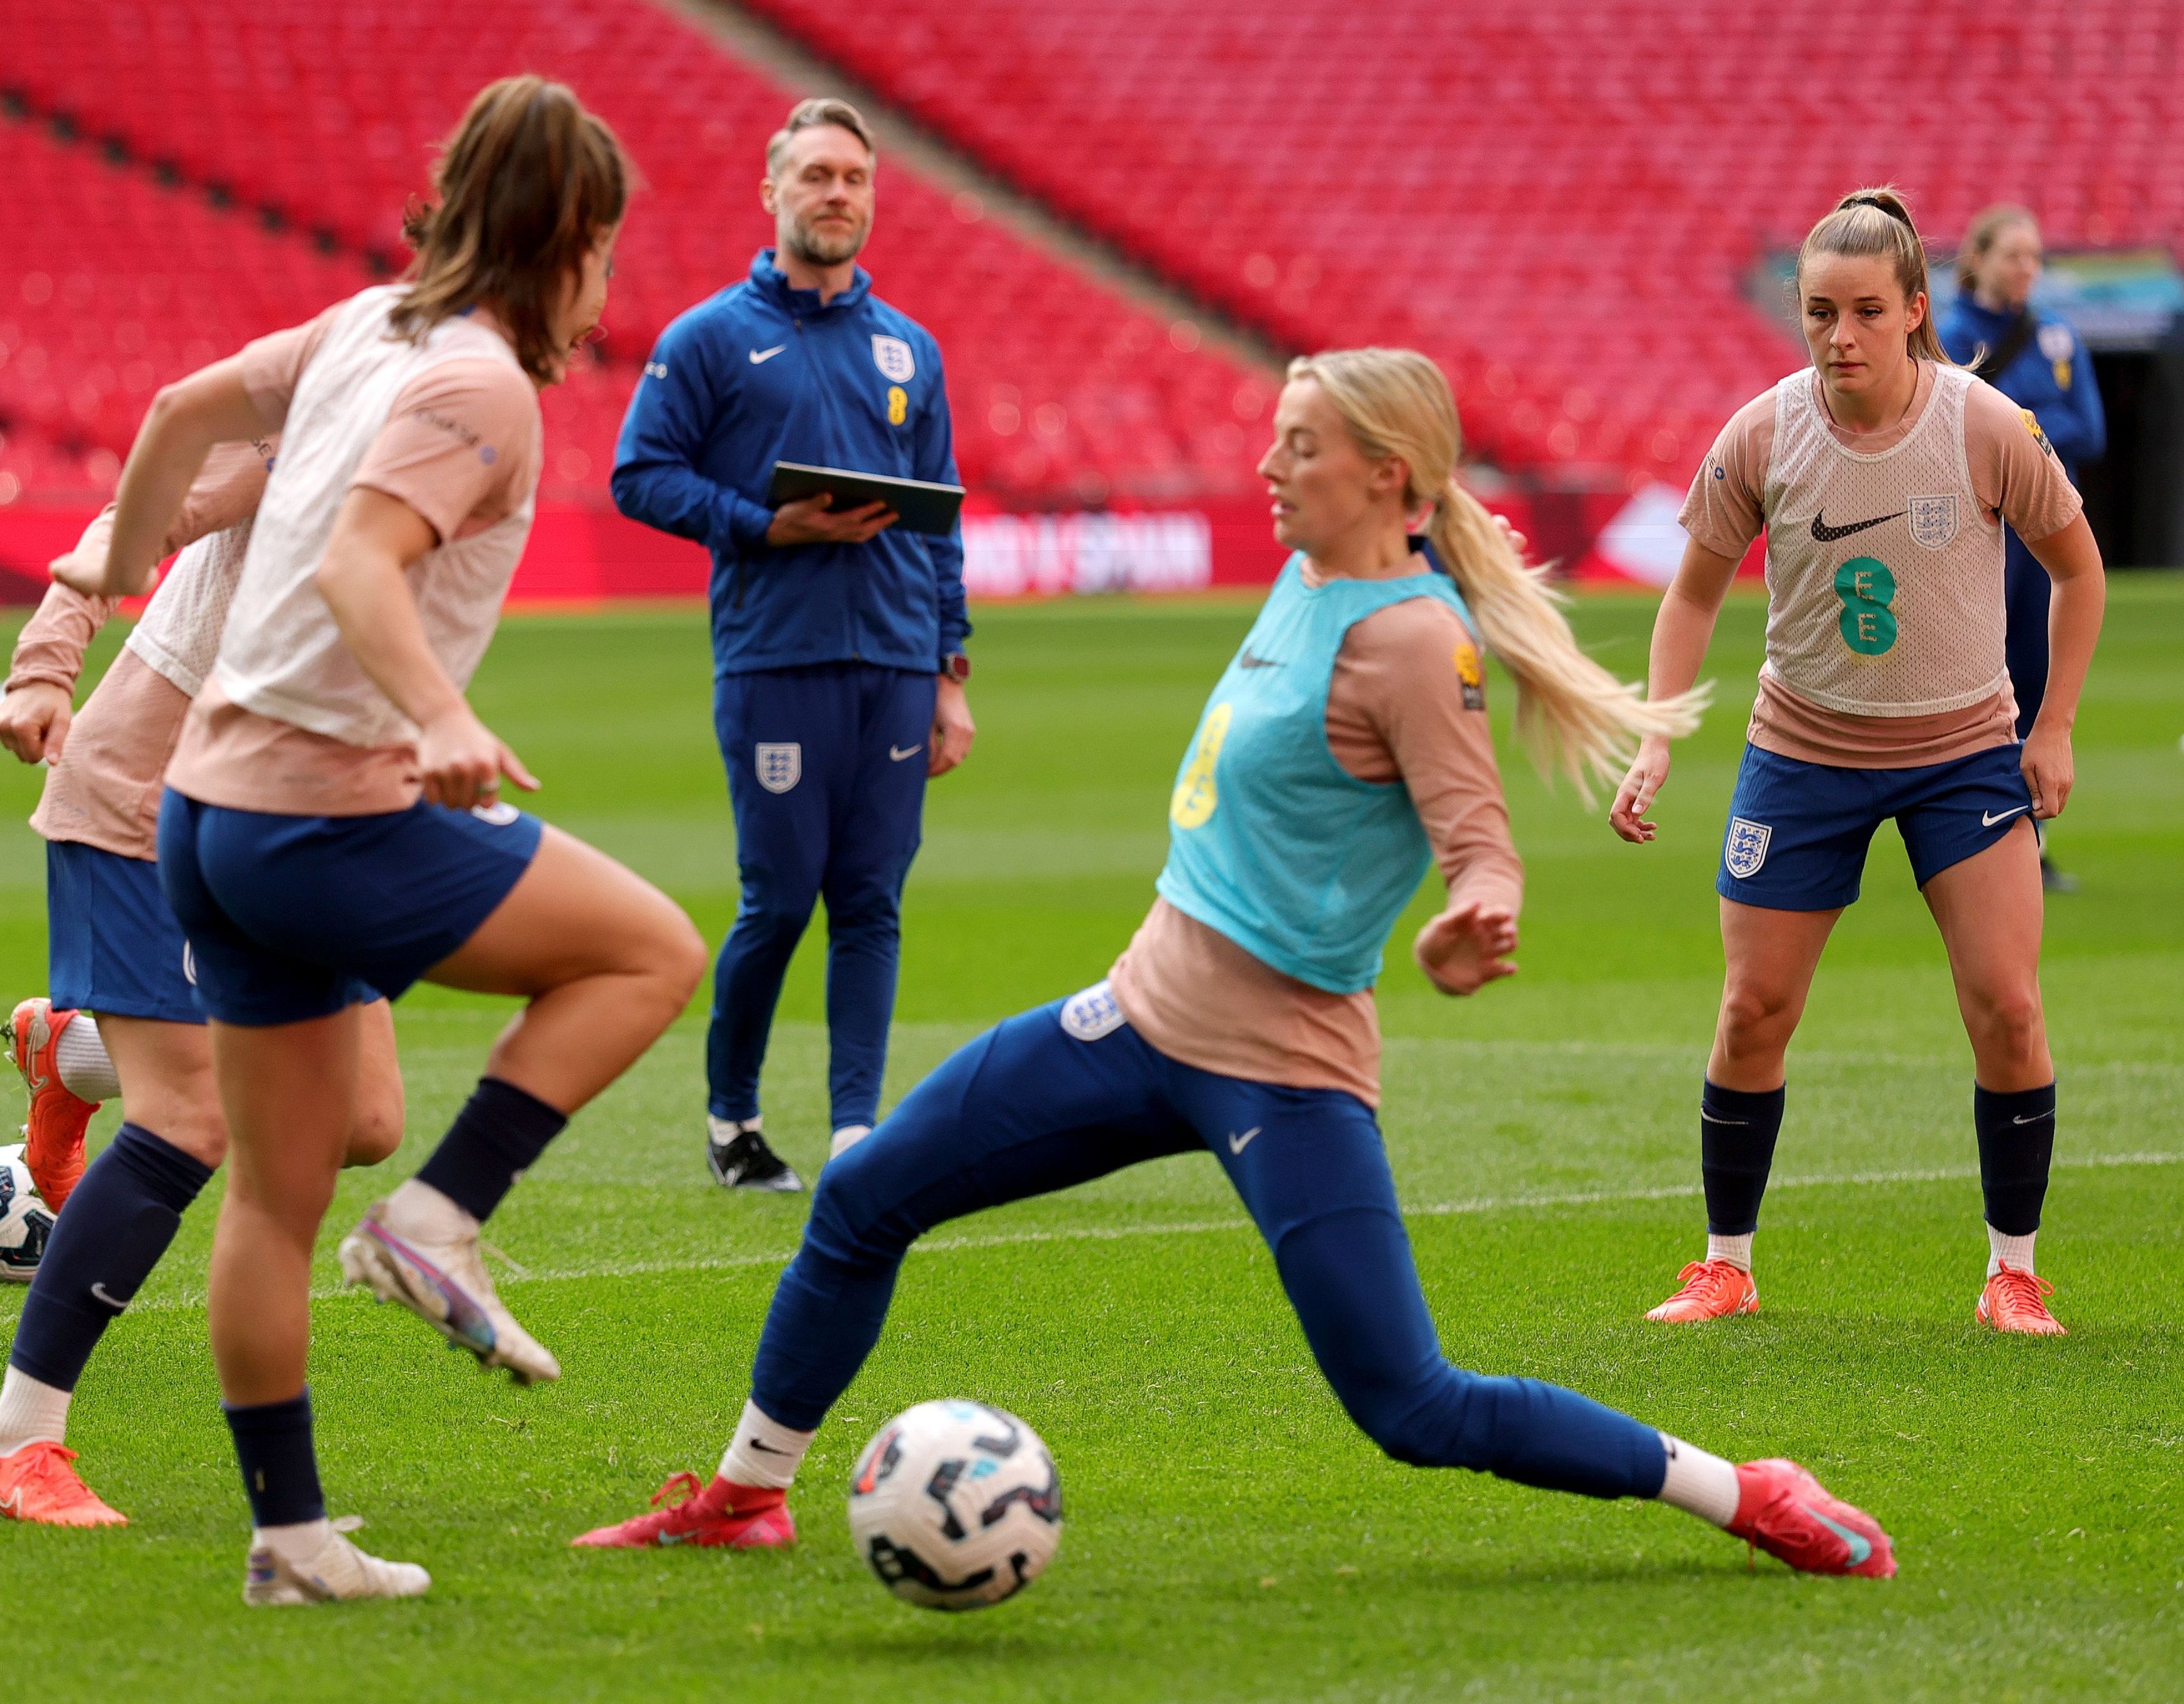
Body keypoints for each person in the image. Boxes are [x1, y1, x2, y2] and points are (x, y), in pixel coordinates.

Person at [575, 350, 1897, 1581]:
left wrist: (1475, 915)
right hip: (1134, 1020)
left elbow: (1479, 842)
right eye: (1276, 439)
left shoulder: (1412, 643)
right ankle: (745, 1495)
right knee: (863, 1196)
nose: (1268, 466)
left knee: (1410, 1406)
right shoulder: (1311, 573)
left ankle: (1744, 1491)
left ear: (1384, 474)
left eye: (1300, 447)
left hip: (1279, 1072)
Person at [57, 77, 706, 1605]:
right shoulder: (482, 384)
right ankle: (437, 1219)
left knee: (271, 1204)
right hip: (316, 814)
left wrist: (126, 560)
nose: (606, 287)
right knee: (650, 951)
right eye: (605, 253)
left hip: (204, 815)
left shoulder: (361, 326)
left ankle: (291, 1542)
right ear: (568, 240)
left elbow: (175, 412)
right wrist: (440, 718)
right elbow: (363, 560)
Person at [1614, 189, 2104, 1337]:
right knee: (1753, 1009)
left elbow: (2078, 572)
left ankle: (2012, 1273)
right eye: (1820, 311)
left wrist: (2052, 727)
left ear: (1914, 310)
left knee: (2007, 1009)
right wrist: (1655, 734)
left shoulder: (1985, 425)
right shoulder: (1760, 433)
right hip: (1801, 754)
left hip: (1963, 755)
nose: (1840, 336)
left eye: (1867, 312)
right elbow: (1690, 597)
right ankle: (1724, 1266)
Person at [0, 447, 408, 1526]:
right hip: (148, 794)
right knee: (191, 1116)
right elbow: (136, 518)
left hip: (304, 808)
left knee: (363, 1121)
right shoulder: (318, 406)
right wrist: (43, 668)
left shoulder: (478, 443)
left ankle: (74, 1052)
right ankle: (13, 1442)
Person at [611, 98, 972, 1193]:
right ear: (771, 192)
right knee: (777, 901)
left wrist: (950, 673)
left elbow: (940, 525)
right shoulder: (708, 337)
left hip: (897, 663)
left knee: (870, 902)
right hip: (774, 659)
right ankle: (733, 1120)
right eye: (816, 175)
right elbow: (639, 474)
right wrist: (762, 525)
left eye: (853, 179)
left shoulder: (908, 347)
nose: (836, 194)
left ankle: (857, 1135)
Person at [1942, 203, 2107, 891]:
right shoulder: (1951, 336)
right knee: (1983, 671)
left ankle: (2029, 837)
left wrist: (2016, 430)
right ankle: (1967, 830)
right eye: (2013, 255)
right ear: (1977, 259)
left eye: (2035, 257)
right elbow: (1953, 430)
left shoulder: (2055, 337)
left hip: (2046, 526)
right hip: (1984, 526)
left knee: (2037, 672)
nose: (2026, 269)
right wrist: (2031, 429)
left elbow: (2091, 429)